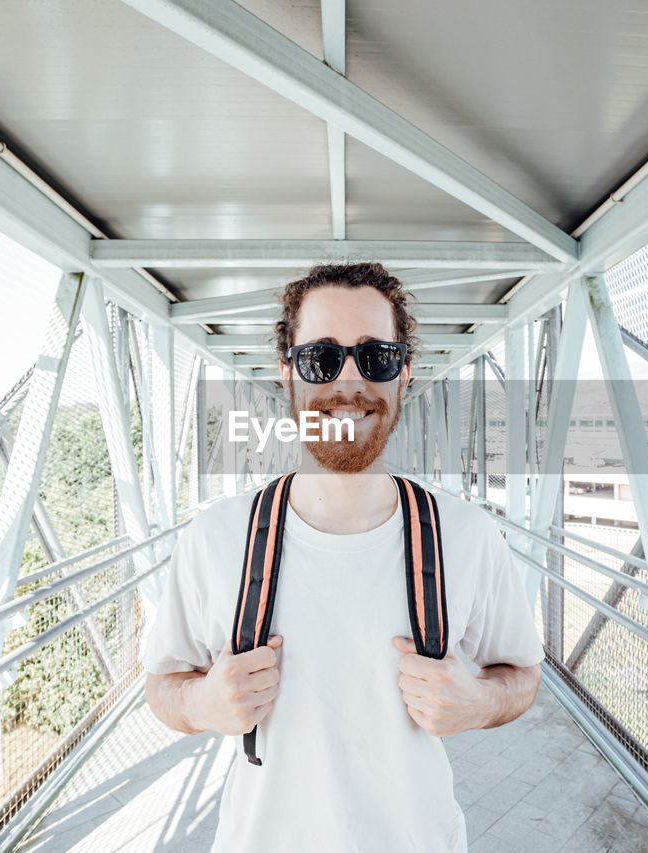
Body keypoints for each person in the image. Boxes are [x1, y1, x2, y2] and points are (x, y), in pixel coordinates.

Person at [141, 262, 544, 852]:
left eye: (376, 356)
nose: (350, 382)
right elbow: (164, 687)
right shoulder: (215, 538)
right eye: (321, 359)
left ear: (404, 372)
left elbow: (522, 676)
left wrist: (479, 702)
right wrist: (203, 703)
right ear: (288, 374)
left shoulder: (469, 536)